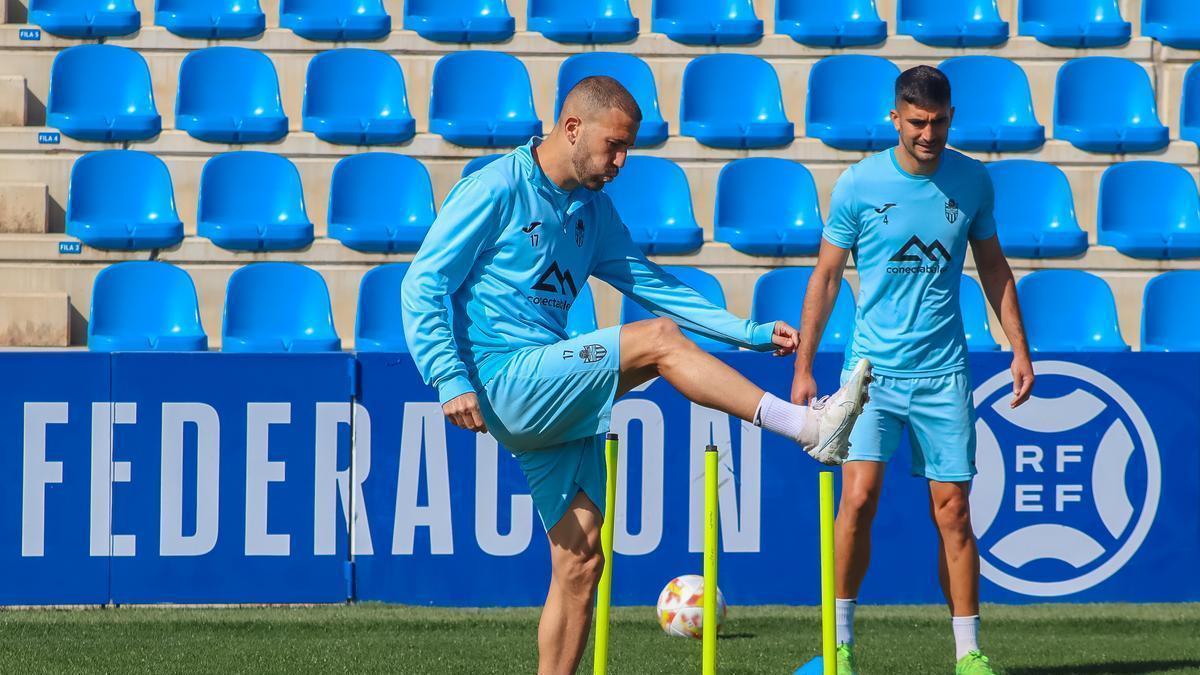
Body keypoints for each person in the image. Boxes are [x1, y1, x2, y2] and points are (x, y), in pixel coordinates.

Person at [402, 75, 872, 675]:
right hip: (501, 377)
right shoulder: (496, 187)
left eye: (628, 149)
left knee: (581, 561)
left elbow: (652, 286)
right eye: (614, 146)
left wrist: (749, 333)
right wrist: (449, 378)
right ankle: (807, 427)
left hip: (549, 387)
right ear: (572, 129)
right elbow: (422, 283)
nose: (622, 161)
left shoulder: (593, 213)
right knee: (656, 343)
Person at [790, 65, 1035, 675]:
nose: (929, 133)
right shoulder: (857, 184)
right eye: (918, 122)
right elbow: (824, 278)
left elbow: (995, 267)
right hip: (871, 374)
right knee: (860, 499)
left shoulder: (972, 181)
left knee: (953, 510)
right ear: (895, 117)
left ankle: (969, 654)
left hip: (944, 373)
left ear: (952, 117)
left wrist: (1019, 348)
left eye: (940, 122)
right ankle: (839, 647)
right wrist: (804, 367)